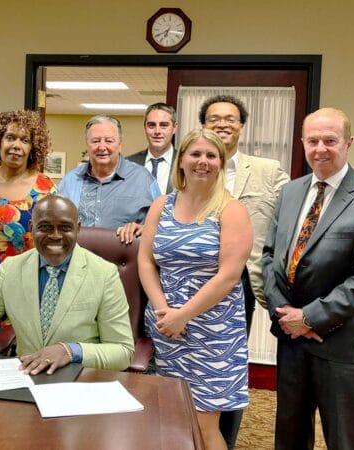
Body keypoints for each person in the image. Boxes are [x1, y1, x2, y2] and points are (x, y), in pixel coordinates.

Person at [263, 107, 354, 450]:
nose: (320, 149)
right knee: (290, 438)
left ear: (349, 143)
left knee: (344, 440)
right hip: (293, 342)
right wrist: (285, 314)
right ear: (302, 143)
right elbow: (270, 258)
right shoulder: (291, 192)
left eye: (330, 140)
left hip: (344, 345)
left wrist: (309, 318)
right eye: (312, 141)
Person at [139, 128, 252, 450]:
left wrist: (183, 315)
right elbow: (146, 261)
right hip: (165, 327)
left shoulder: (231, 210)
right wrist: (164, 311)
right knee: (171, 417)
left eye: (211, 155)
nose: (203, 161)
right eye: (196, 154)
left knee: (203, 423)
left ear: (221, 162)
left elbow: (229, 276)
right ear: (182, 160)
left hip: (212, 332)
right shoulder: (162, 205)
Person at [0, 195, 134, 381]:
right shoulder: (11, 269)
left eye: (65, 228)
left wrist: (71, 351)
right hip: (25, 379)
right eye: (45, 228)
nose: (55, 236)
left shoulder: (104, 273)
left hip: (79, 382)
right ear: (32, 228)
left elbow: (122, 351)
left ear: (78, 229)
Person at [199, 94, 290, 449]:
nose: (222, 124)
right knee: (193, 361)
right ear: (204, 125)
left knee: (229, 365)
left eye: (231, 119)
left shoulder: (268, 170)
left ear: (242, 126)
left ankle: (225, 439)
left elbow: (293, 217)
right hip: (194, 280)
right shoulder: (192, 166)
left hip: (244, 282)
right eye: (214, 118)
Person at [0, 110, 56, 349]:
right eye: (10, 137)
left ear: (33, 147)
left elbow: (53, 248)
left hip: (27, 292)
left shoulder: (45, 189)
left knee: (22, 364)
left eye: (24, 140)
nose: (16, 146)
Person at [58, 115, 160, 243]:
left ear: (120, 145)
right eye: (95, 141)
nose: (102, 147)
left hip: (125, 259)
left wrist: (144, 228)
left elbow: (162, 227)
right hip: (78, 260)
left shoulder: (143, 179)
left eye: (109, 141)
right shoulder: (70, 181)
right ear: (87, 145)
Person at [127, 102, 178, 195]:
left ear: (174, 128)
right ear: (145, 128)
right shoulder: (128, 164)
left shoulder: (185, 163)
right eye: (151, 125)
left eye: (164, 125)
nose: (157, 131)